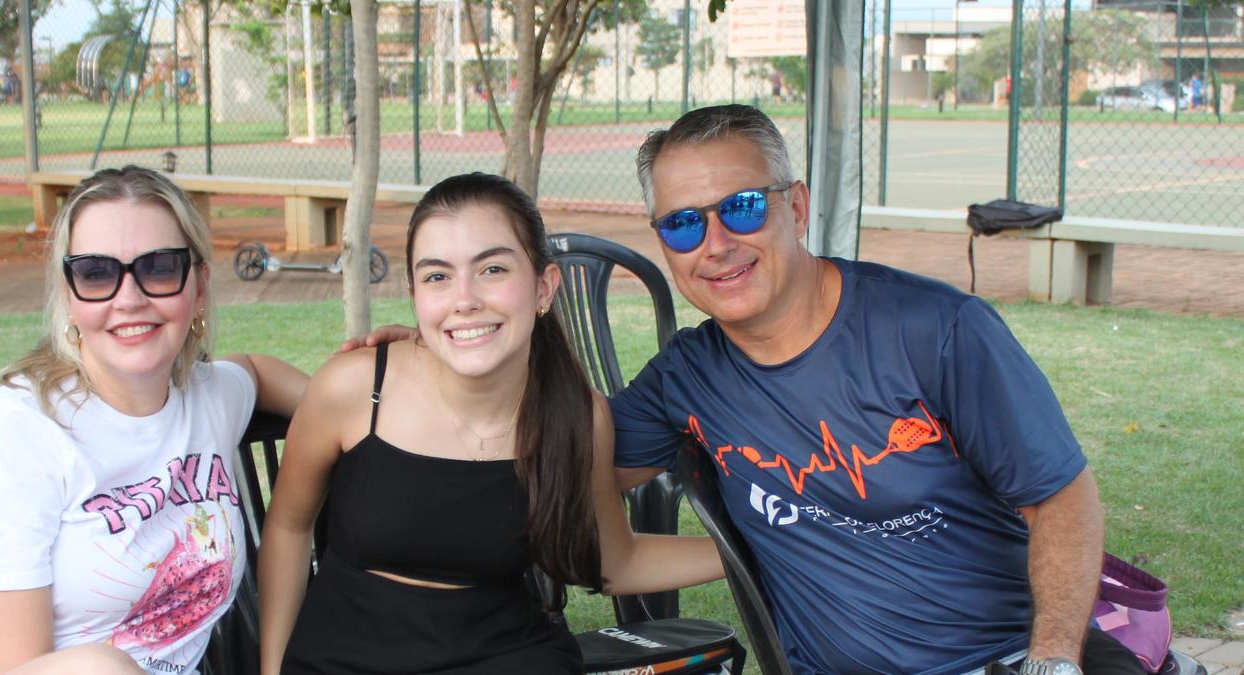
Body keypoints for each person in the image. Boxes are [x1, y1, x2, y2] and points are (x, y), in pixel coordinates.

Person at [350, 106, 1142, 675]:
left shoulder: (933, 331)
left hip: (1009, 653)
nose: (717, 243)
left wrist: (1051, 657)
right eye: (683, 224)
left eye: (742, 207)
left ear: (796, 205)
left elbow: (1062, 498)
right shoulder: (688, 377)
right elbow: (546, 462)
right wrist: (448, 356)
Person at [257, 172, 723, 674]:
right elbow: (287, 527)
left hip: (508, 658)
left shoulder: (575, 415)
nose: (465, 299)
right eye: (437, 277)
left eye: (492, 269)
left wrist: (758, 544)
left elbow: (616, 561)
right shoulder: (356, 387)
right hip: (341, 660)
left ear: (544, 288)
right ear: (414, 293)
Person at [0, 165, 309, 675]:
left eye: (159, 268)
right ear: (69, 296)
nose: (129, 298)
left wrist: (370, 401)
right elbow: (20, 668)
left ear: (199, 287)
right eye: (96, 273)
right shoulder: (13, 434)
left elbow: (256, 371)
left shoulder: (208, 399)